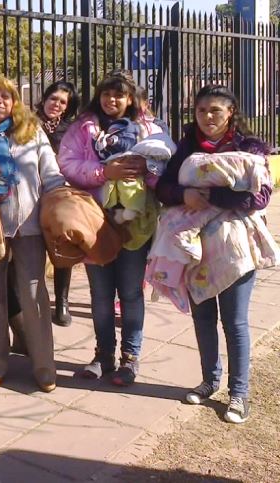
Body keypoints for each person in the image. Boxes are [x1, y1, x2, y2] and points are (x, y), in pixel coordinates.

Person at [155, 85, 273, 423]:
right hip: (195, 248)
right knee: (203, 317)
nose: (208, 117)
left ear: (230, 112)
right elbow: (163, 187)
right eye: (202, 110)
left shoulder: (249, 148)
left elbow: (259, 197)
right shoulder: (186, 147)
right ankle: (210, 380)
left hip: (236, 249)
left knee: (234, 322)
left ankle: (239, 393)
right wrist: (183, 194)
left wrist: (209, 196)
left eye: (215, 110)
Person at [0, 75, 65, 392]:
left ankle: (44, 367)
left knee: (33, 295)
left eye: (4, 96)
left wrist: (62, 201)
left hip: (28, 225)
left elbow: (51, 173)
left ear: (15, 101)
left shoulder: (32, 132)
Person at [58, 70, 165, 386]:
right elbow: (67, 164)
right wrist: (104, 172)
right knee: (101, 295)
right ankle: (103, 355)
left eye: (119, 94)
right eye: (106, 93)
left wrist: (147, 168)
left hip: (135, 224)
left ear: (130, 99)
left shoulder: (148, 128)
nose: (111, 100)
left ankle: (130, 358)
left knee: (130, 293)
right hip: (94, 223)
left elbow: (165, 166)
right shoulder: (82, 127)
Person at [35, 81, 79, 328]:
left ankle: (62, 301)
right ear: (45, 98)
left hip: (59, 192)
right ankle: (36, 300)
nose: (57, 104)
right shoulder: (28, 123)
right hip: (32, 192)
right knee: (32, 249)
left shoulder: (70, 129)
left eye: (63, 102)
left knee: (63, 244)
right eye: (53, 98)